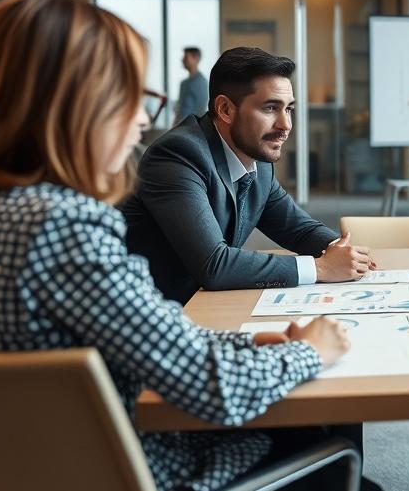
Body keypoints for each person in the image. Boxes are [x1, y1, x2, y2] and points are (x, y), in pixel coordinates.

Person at [0, 0, 388, 491]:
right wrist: (311, 351)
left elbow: (130, 334)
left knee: (322, 430)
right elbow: (213, 385)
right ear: (68, 106)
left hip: (37, 486)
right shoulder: (65, 225)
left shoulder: (14, 212)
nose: (138, 120)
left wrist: (251, 336)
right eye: (129, 97)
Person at [122, 46, 373, 305]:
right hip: (158, 315)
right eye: (270, 108)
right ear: (225, 110)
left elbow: (298, 229)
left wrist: (340, 250)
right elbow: (214, 265)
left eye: (288, 109)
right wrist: (320, 268)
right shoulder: (178, 155)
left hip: (207, 306)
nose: (285, 125)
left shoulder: (258, 161)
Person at [175, 45, 209, 122]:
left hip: (192, 128)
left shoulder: (201, 82)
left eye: (186, 57)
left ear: (196, 59)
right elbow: (179, 109)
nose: (182, 60)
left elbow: (201, 109)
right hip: (180, 127)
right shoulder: (184, 83)